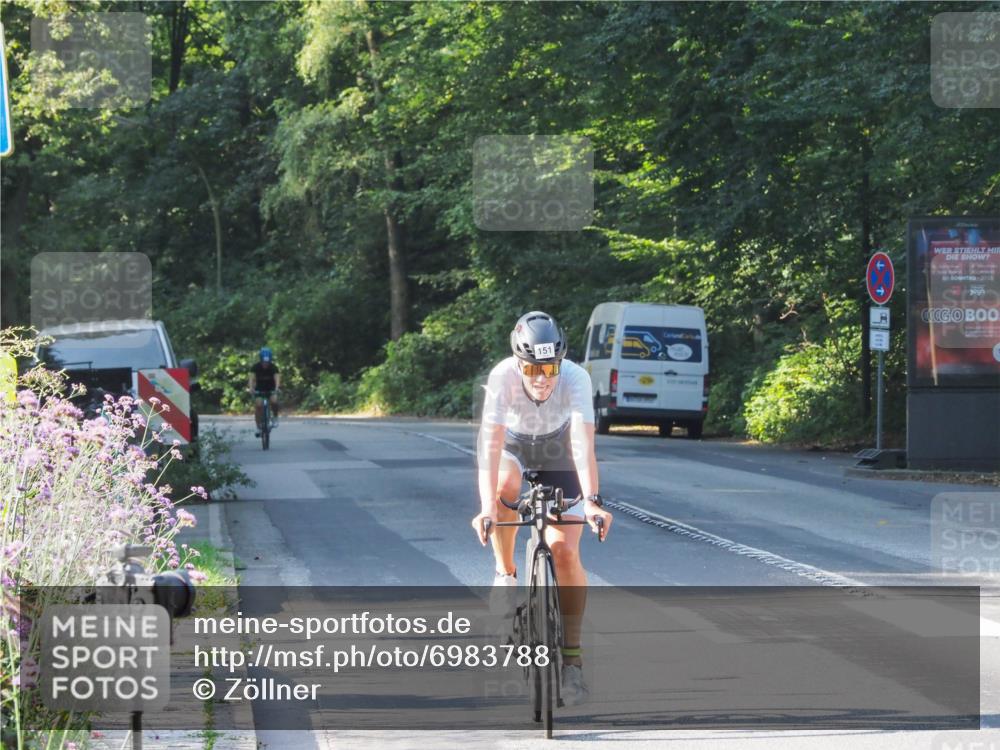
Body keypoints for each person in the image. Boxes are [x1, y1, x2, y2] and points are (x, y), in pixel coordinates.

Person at [471, 310, 613, 706]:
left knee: (566, 550)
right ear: (518, 363)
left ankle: (572, 662)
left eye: (549, 367)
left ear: (561, 361)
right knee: (505, 485)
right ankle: (505, 572)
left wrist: (592, 502)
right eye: (532, 368)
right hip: (515, 447)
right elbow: (490, 447)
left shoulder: (576, 378)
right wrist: (486, 508)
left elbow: (584, 445)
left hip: (559, 453)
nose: (541, 378)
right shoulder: (502, 378)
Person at [248, 347, 280, 438]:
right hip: (259, 389)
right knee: (258, 405)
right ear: (261, 360)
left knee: (274, 401)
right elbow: (251, 378)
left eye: (267, 362)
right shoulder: (255, 367)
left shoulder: (273, 367)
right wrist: (251, 388)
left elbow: (277, 378)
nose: (265, 364)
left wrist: (277, 388)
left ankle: (275, 416)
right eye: (264, 362)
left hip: (271, 389)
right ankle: (258, 427)